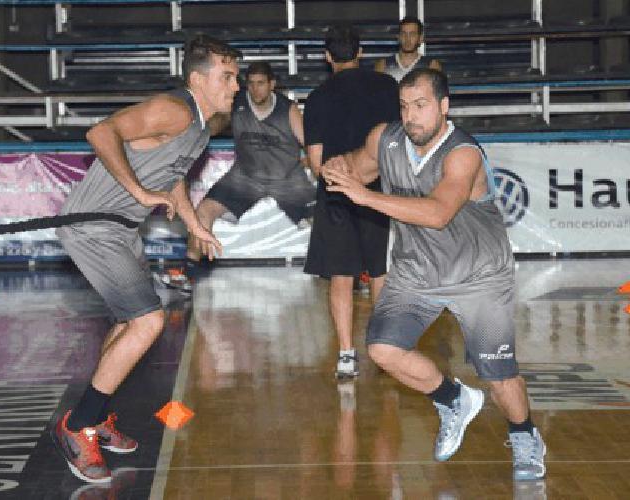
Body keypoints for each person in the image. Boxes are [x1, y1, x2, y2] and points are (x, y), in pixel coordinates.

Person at [322, 68, 546, 481]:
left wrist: (366, 196)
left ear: (444, 107)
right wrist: (338, 167)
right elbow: (356, 167)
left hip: (478, 276)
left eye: (421, 106)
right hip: (417, 271)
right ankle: (453, 398)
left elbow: (439, 213)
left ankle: (525, 435)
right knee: (383, 350)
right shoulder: (385, 139)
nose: (411, 116)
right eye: (405, 107)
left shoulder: (463, 153)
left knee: (498, 377)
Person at [49, 35, 239, 484]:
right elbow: (100, 132)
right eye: (226, 77)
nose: (235, 85)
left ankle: (97, 415)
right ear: (198, 79)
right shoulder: (174, 109)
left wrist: (193, 224)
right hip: (93, 226)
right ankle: (77, 427)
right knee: (148, 322)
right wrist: (138, 192)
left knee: (127, 322)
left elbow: (172, 177)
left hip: (121, 229)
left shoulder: (199, 126)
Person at [303, 23, 400, 379]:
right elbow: (398, 141)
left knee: (341, 277)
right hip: (379, 191)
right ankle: (387, 347)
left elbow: (315, 162)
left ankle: (347, 354)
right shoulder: (388, 87)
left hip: (336, 194)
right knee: (380, 272)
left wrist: (341, 179)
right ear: (360, 52)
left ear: (327, 57)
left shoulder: (317, 98)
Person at [181, 62, 313, 267]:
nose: (255, 89)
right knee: (202, 213)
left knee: (325, 220)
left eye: (260, 83)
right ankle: (187, 272)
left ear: (272, 84)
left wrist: (310, 163)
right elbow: (217, 123)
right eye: (250, 83)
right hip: (246, 177)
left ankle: (347, 271)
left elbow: (309, 143)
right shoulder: (236, 103)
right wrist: (202, 129)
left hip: (286, 178)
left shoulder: (288, 109)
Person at [374, 16, 443, 82]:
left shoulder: (432, 66)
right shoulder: (383, 65)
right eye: (404, 34)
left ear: (420, 38)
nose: (407, 39)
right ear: (398, 37)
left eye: (412, 34)